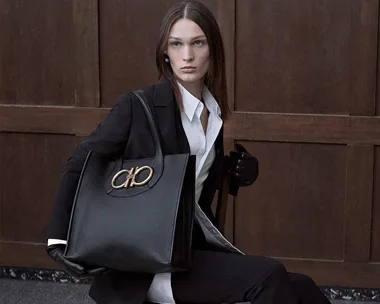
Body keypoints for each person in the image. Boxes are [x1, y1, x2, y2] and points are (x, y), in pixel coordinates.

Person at [46, 1, 331, 303]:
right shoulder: (138, 106)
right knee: (270, 276)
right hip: (147, 265)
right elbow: (81, 161)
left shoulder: (213, 115)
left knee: (304, 288)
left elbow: (189, 179)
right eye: (176, 44)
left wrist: (238, 171)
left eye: (198, 43)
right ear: (165, 52)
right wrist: (58, 239)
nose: (187, 56)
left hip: (190, 252)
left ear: (213, 50)